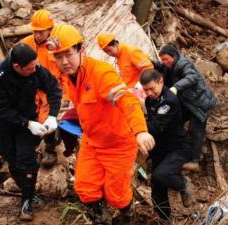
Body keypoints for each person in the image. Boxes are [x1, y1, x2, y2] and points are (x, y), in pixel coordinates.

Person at [47, 24, 155, 225]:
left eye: (68, 54)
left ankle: (126, 216)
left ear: (81, 50)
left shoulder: (102, 74)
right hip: (92, 141)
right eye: (58, 56)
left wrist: (140, 131)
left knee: (117, 195)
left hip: (119, 145)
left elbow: (127, 100)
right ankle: (100, 219)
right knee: (85, 189)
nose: (64, 61)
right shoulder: (67, 75)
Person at [0, 43, 62, 221]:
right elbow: (2, 109)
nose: (34, 70)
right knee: (11, 159)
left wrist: (52, 116)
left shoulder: (36, 69)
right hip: (3, 123)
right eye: (29, 68)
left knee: (26, 159)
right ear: (17, 67)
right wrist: (26, 123)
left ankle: (26, 203)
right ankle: (29, 190)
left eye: (35, 66)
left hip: (28, 120)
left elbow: (53, 89)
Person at [152, 44, 217, 171]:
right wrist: (150, 63)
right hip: (187, 103)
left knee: (195, 131)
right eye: (162, 60)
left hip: (200, 104)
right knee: (175, 120)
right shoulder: (169, 65)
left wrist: (176, 87)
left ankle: (194, 162)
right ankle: (176, 147)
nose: (164, 62)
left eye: (166, 59)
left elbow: (191, 77)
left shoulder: (184, 64)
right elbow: (161, 66)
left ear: (174, 56)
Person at [140, 69, 194, 222]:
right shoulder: (149, 100)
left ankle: (183, 184)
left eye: (152, 88)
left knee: (161, 174)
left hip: (176, 148)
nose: (149, 93)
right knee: (157, 188)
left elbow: (156, 126)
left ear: (161, 82)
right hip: (160, 148)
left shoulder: (169, 101)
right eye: (145, 90)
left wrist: (136, 125)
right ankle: (164, 219)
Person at [20, 9, 64, 167]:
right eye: (36, 32)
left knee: (46, 120)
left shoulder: (57, 45)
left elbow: (66, 70)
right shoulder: (25, 44)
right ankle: (26, 150)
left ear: (50, 30)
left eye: (42, 32)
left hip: (50, 89)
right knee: (27, 119)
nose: (38, 35)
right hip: (30, 88)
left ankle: (50, 148)